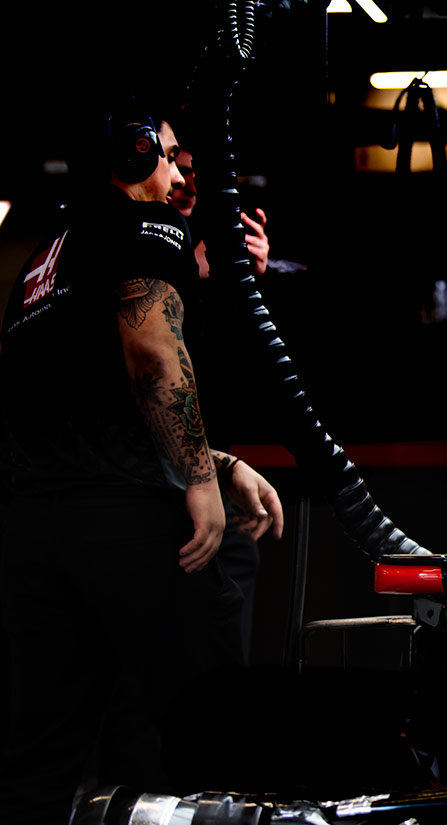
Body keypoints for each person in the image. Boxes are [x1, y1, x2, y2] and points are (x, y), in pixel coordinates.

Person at [0, 102, 284, 824]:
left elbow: (89, 403)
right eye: (170, 156)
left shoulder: (40, 262)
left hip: (33, 529)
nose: (179, 174)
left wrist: (217, 461)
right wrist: (199, 479)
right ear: (132, 157)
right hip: (128, 521)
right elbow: (155, 354)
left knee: (43, 755)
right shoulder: (146, 227)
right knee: (207, 723)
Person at [163, 113, 271, 658]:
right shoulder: (141, 254)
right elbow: (154, 367)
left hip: (202, 465)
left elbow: (242, 380)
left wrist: (246, 289)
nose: (183, 184)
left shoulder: (207, 265)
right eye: (172, 166)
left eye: (195, 173)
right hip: (155, 484)